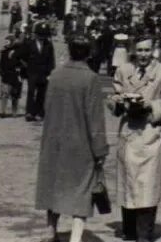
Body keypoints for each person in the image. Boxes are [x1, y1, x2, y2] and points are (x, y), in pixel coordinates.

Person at [35, 32, 109, 242]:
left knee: (53, 186)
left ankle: (51, 232)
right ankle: (76, 238)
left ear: (69, 51)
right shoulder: (91, 78)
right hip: (80, 145)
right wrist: (100, 150)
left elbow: (46, 107)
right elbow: (95, 120)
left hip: (53, 141)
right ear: (89, 53)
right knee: (82, 192)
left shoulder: (56, 74)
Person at [110, 38, 161, 242]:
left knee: (148, 184)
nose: (143, 55)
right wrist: (118, 103)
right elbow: (115, 95)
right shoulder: (124, 70)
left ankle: (144, 233)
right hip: (129, 132)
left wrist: (150, 106)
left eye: (147, 50)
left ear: (153, 51)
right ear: (133, 50)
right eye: (139, 50)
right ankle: (129, 230)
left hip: (152, 134)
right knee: (128, 182)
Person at [23, 24, 56, 122]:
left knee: (42, 93)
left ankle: (39, 112)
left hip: (44, 72)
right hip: (32, 72)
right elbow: (23, 57)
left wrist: (50, 72)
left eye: (44, 35)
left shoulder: (48, 45)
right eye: (40, 35)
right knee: (31, 92)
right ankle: (29, 112)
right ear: (36, 35)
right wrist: (26, 69)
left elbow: (51, 60)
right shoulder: (29, 44)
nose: (42, 38)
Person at [0, 34, 24, 118]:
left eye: (8, 41)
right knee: (4, 93)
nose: (6, 43)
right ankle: (3, 111)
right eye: (5, 41)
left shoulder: (19, 50)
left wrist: (20, 70)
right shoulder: (4, 51)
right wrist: (1, 72)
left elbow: (22, 61)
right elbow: (1, 63)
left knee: (15, 94)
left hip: (16, 74)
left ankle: (14, 112)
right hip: (6, 74)